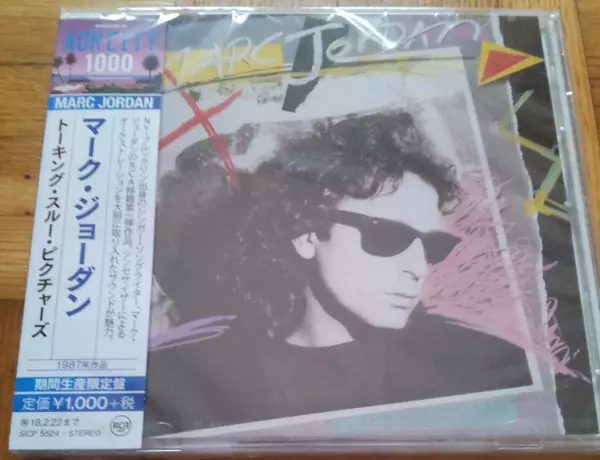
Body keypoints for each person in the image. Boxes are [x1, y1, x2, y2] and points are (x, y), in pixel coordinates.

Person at [143, 111, 533, 437]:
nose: (418, 268)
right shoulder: (198, 379)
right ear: (307, 234)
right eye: (388, 236)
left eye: (432, 245)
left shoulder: (482, 367)